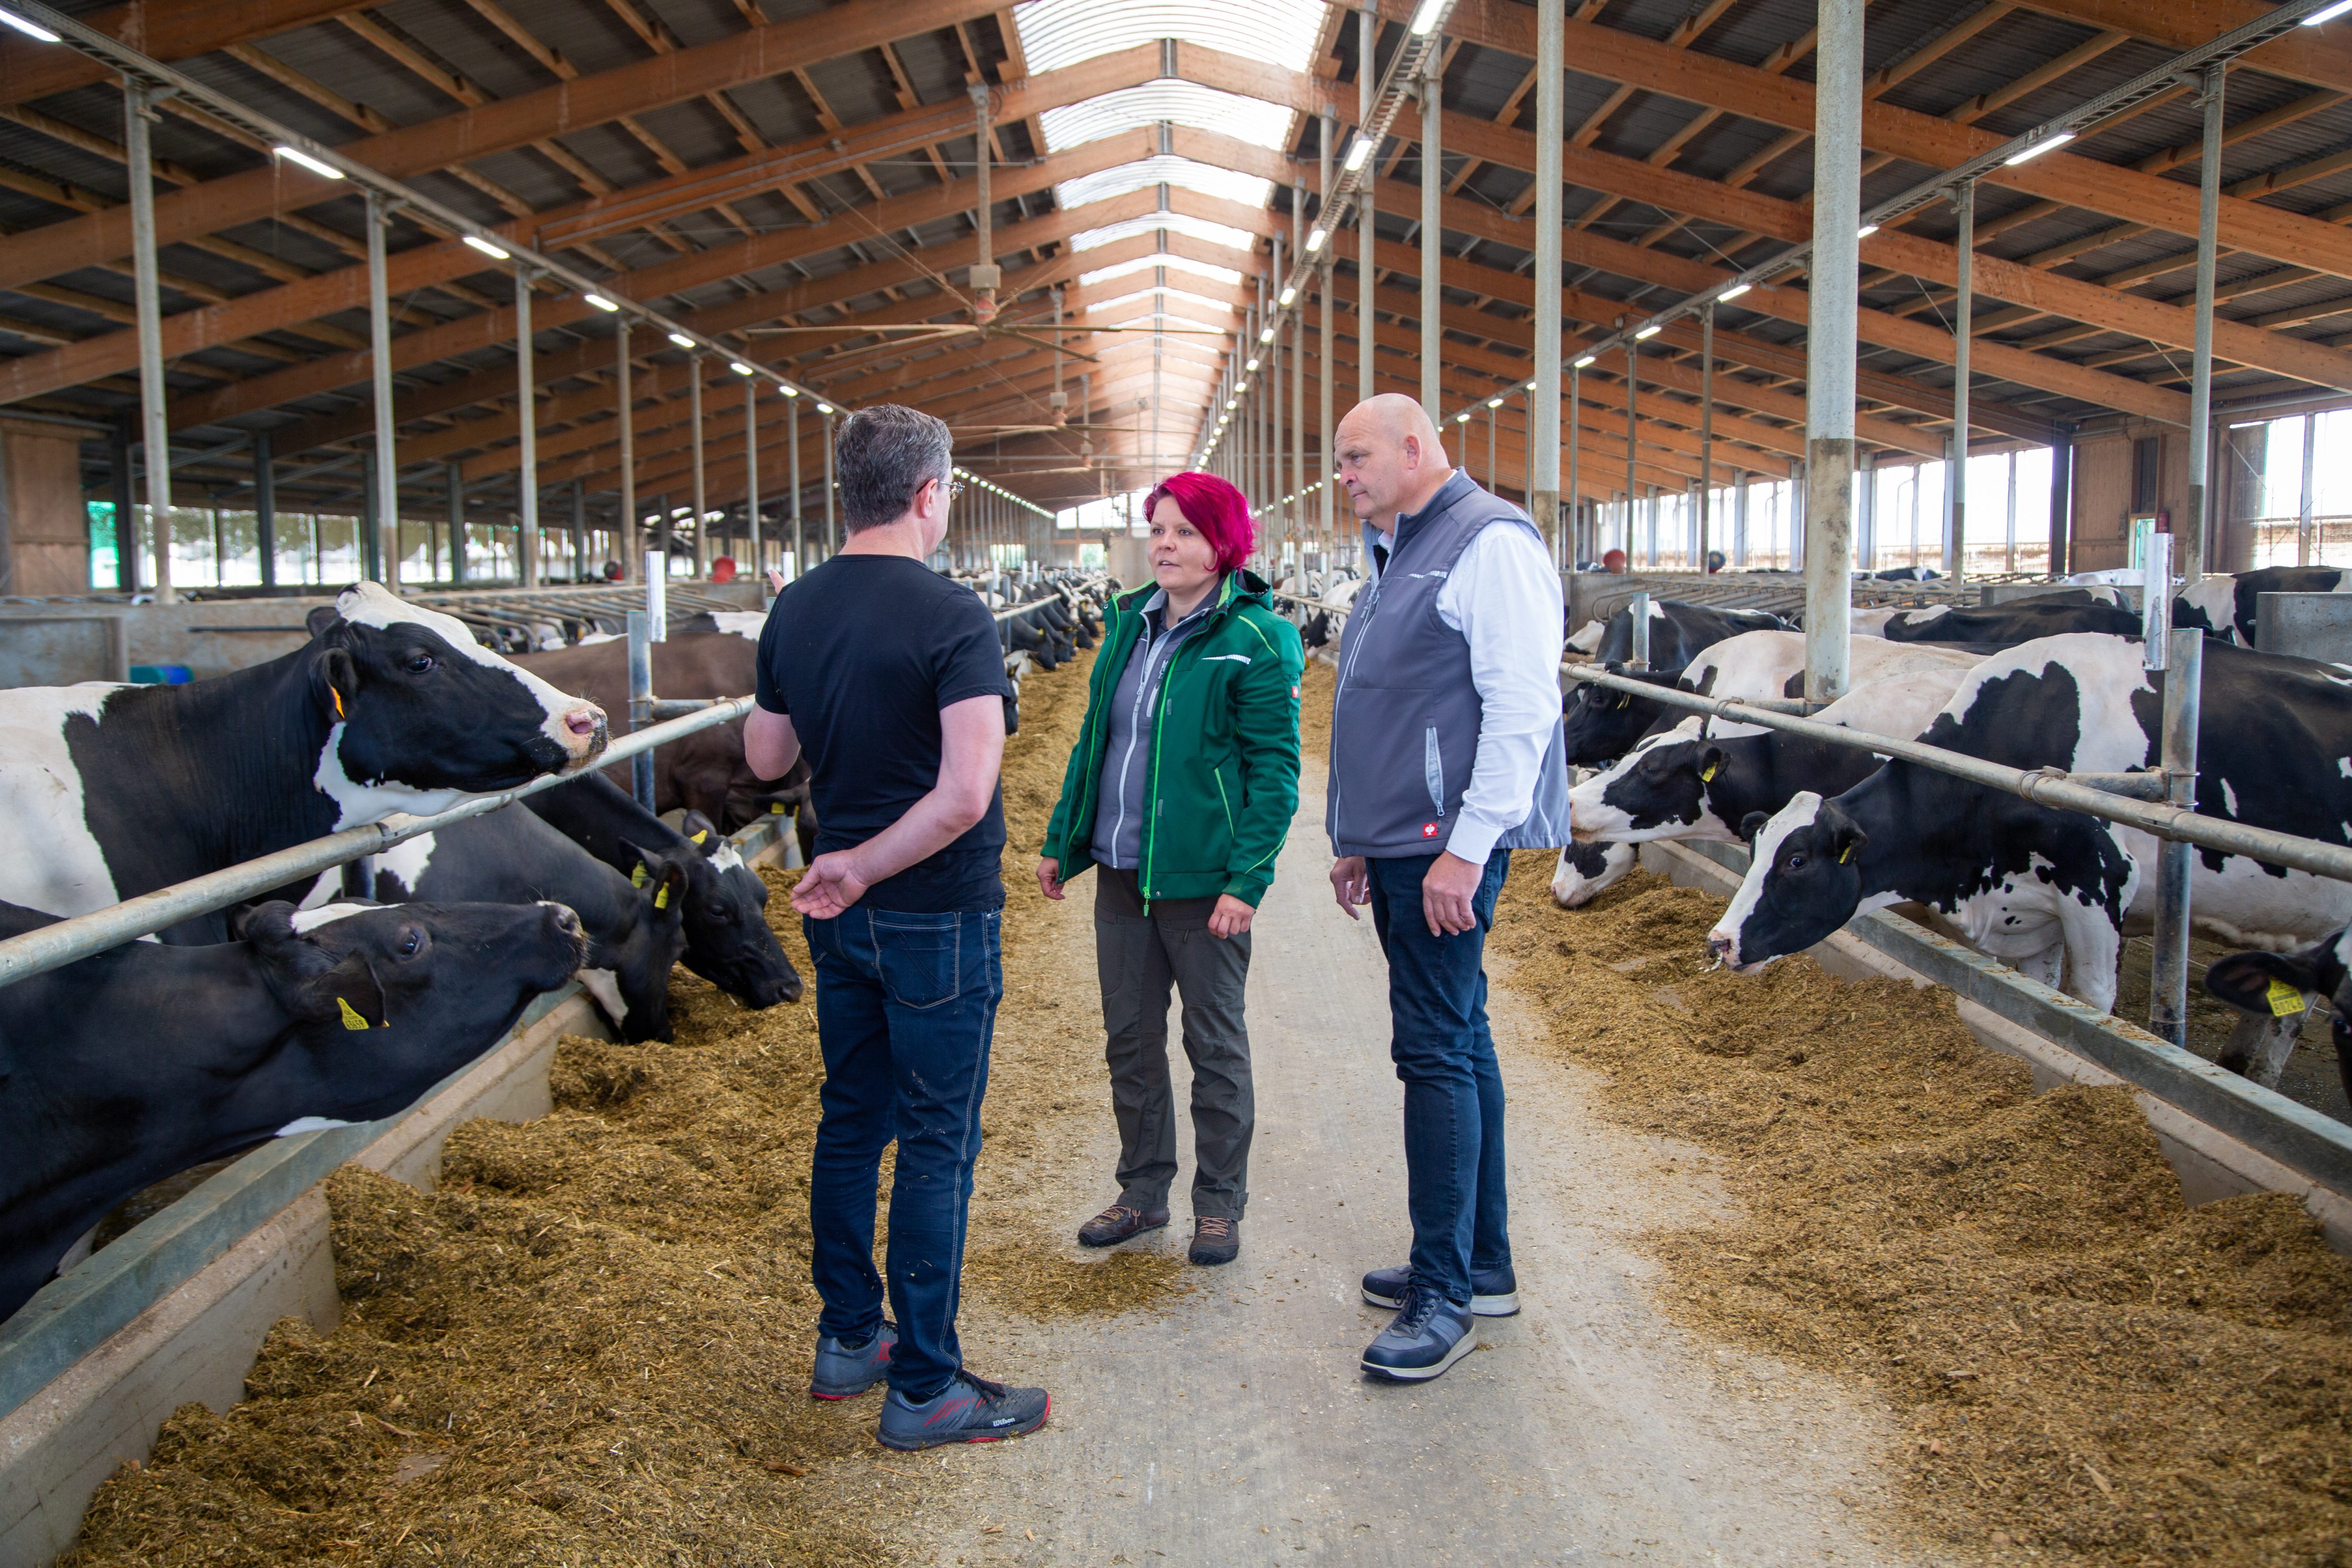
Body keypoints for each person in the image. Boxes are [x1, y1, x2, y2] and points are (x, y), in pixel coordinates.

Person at [744, 404, 1049, 1450]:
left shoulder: (794, 610)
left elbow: (765, 761)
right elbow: (966, 794)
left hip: (846, 924)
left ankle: (847, 1339)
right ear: (928, 496)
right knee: (934, 1143)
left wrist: (842, 861)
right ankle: (925, 1387)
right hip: (931, 914)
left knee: (850, 1121)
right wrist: (862, 865)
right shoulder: (953, 616)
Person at [1325, 394, 1572, 1382]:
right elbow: (1393, 703)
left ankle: (1444, 1296)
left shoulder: (1489, 543)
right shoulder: (1403, 549)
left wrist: (1466, 851)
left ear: (1416, 448)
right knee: (1459, 1037)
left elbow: (1522, 708)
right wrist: (1359, 837)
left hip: (1445, 848)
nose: (1344, 475)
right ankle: (1481, 1263)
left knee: (1432, 1050)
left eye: (1356, 457)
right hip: (1402, 844)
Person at [1036, 472, 1304, 1268]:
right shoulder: (1127, 624)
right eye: (1157, 530)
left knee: (1214, 1044)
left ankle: (1219, 1204)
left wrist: (1246, 881)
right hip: (1121, 875)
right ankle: (1142, 1193)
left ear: (1223, 543)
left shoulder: (1255, 638)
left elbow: (1275, 773)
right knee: (1130, 1042)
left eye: (1185, 531)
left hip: (1202, 885)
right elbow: (1096, 743)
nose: (1164, 545)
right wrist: (1063, 838)